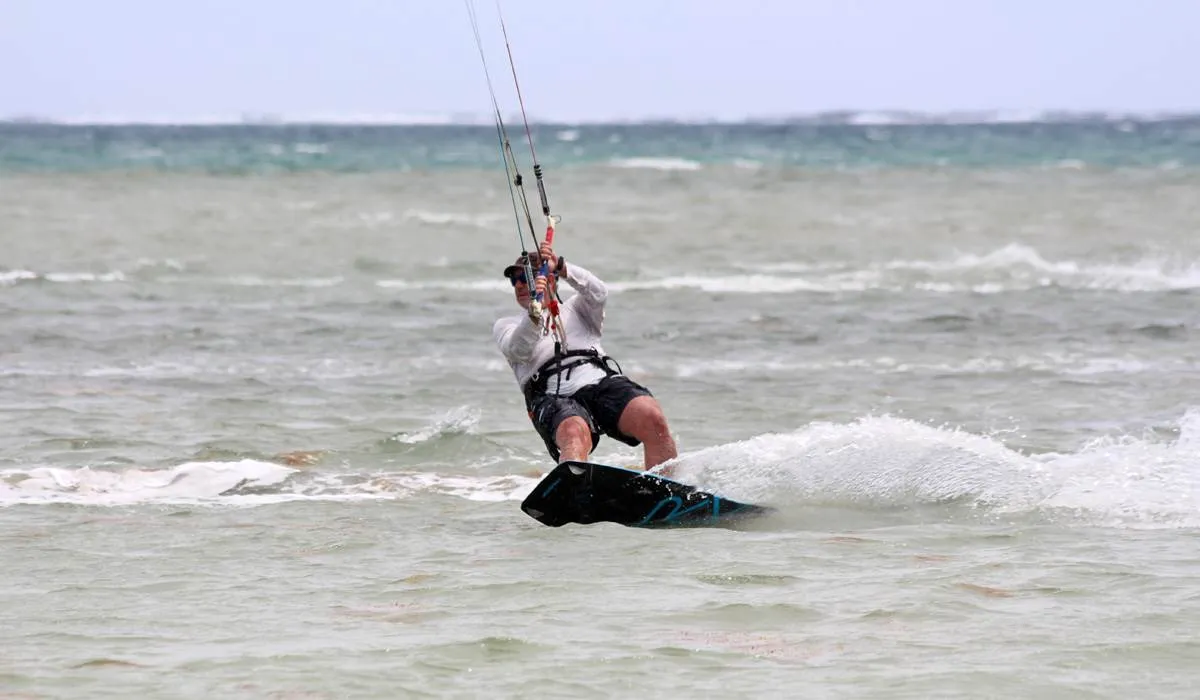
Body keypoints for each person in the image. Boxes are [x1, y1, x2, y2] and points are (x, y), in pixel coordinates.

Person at [493, 240, 678, 474]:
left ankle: (665, 486)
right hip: (552, 396)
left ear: (550, 280)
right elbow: (519, 349)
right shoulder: (507, 325)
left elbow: (599, 292)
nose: (518, 285)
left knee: (651, 416)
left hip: (598, 382)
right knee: (574, 432)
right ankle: (574, 491)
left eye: (525, 278)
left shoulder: (577, 309)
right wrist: (536, 311)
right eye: (514, 280)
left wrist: (562, 267)